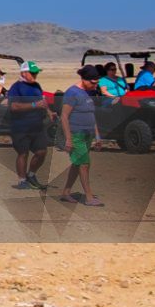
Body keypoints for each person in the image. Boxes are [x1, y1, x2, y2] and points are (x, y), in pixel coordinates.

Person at [56, 66, 104, 207]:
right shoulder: (72, 93)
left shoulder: (89, 93)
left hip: (88, 134)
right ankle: (88, 197)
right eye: (93, 82)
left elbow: (91, 115)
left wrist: (97, 136)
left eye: (97, 83)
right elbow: (64, 116)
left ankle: (66, 192)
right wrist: (68, 138)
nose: (95, 85)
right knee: (84, 164)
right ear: (84, 79)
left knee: (77, 164)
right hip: (76, 134)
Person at [5, 61, 51, 191]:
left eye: (36, 73)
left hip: (37, 126)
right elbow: (13, 106)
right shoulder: (16, 87)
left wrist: (49, 112)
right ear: (23, 73)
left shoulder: (36, 86)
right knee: (23, 153)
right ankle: (22, 180)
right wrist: (34, 105)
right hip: (20, 127)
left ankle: (31, 175)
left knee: (42, 151)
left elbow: (42, 101)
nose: (35, 76)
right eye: (33, 73)